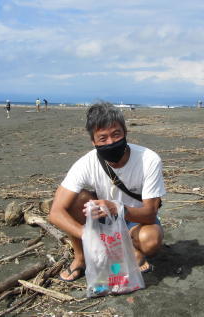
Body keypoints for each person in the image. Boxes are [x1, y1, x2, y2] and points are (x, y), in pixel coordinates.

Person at [48, 102, 165, 282]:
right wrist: (87, 235)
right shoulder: (85, 164)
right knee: (75, 199)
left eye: (116, 134)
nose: (111, 142)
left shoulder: (148, 160)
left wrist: (117, 208)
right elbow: (56, 213)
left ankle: (131, 250)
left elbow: (150, 214)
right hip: (101, 220)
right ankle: (80, 258)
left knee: (151, 239)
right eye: (103, 138)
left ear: (125, 132)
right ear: (93, 142)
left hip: (135, 219)